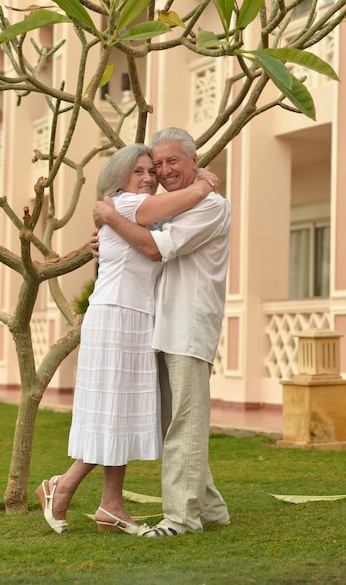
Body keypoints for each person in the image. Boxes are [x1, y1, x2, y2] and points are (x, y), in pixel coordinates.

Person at [35, 143, 215, 535]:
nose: (149, 177)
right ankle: (61, 487)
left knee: (125, 412)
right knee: (113, 411)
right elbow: (159, 240)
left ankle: (111, 506)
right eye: (139, 171)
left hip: (136, 319)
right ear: (120, 179)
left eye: (151, 170)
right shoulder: (128, 204)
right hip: (116, 315)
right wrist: (202, 185)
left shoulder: (127, 212)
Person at [92, 127, 231, 537]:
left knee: (184, 423)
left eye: (173, 161)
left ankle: (181, 520)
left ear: (193, 161)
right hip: (162, 324)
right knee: (176, 420)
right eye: (158, 164)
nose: (164, 170)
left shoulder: (211, 206)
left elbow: (155, 248)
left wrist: (112, 218)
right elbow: (139, 244)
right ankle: (211, 509)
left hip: (189, 323)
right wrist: (109, 239)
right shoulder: (171, 206)